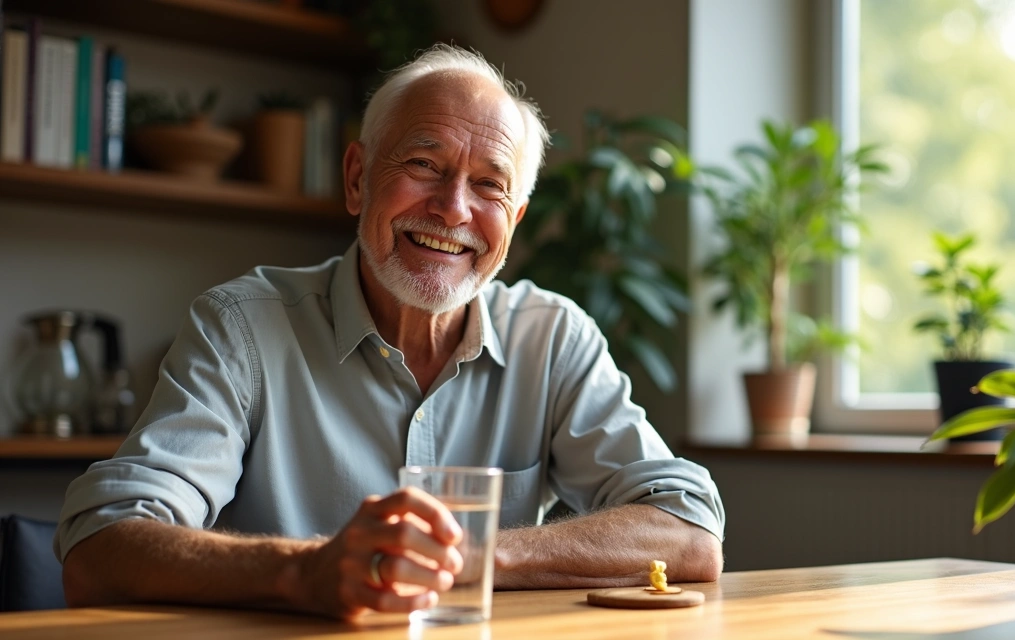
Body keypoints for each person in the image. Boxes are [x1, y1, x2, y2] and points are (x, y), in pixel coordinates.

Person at [55, 45, 725, 620]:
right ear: (356, 179)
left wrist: (471, 555)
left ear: (513, 222)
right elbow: (101, 546)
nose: (452, 209)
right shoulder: (243, 325)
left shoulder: (553, 338)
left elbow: (690, 531)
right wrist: (306, 571)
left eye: (489, 185)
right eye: (424, 165)